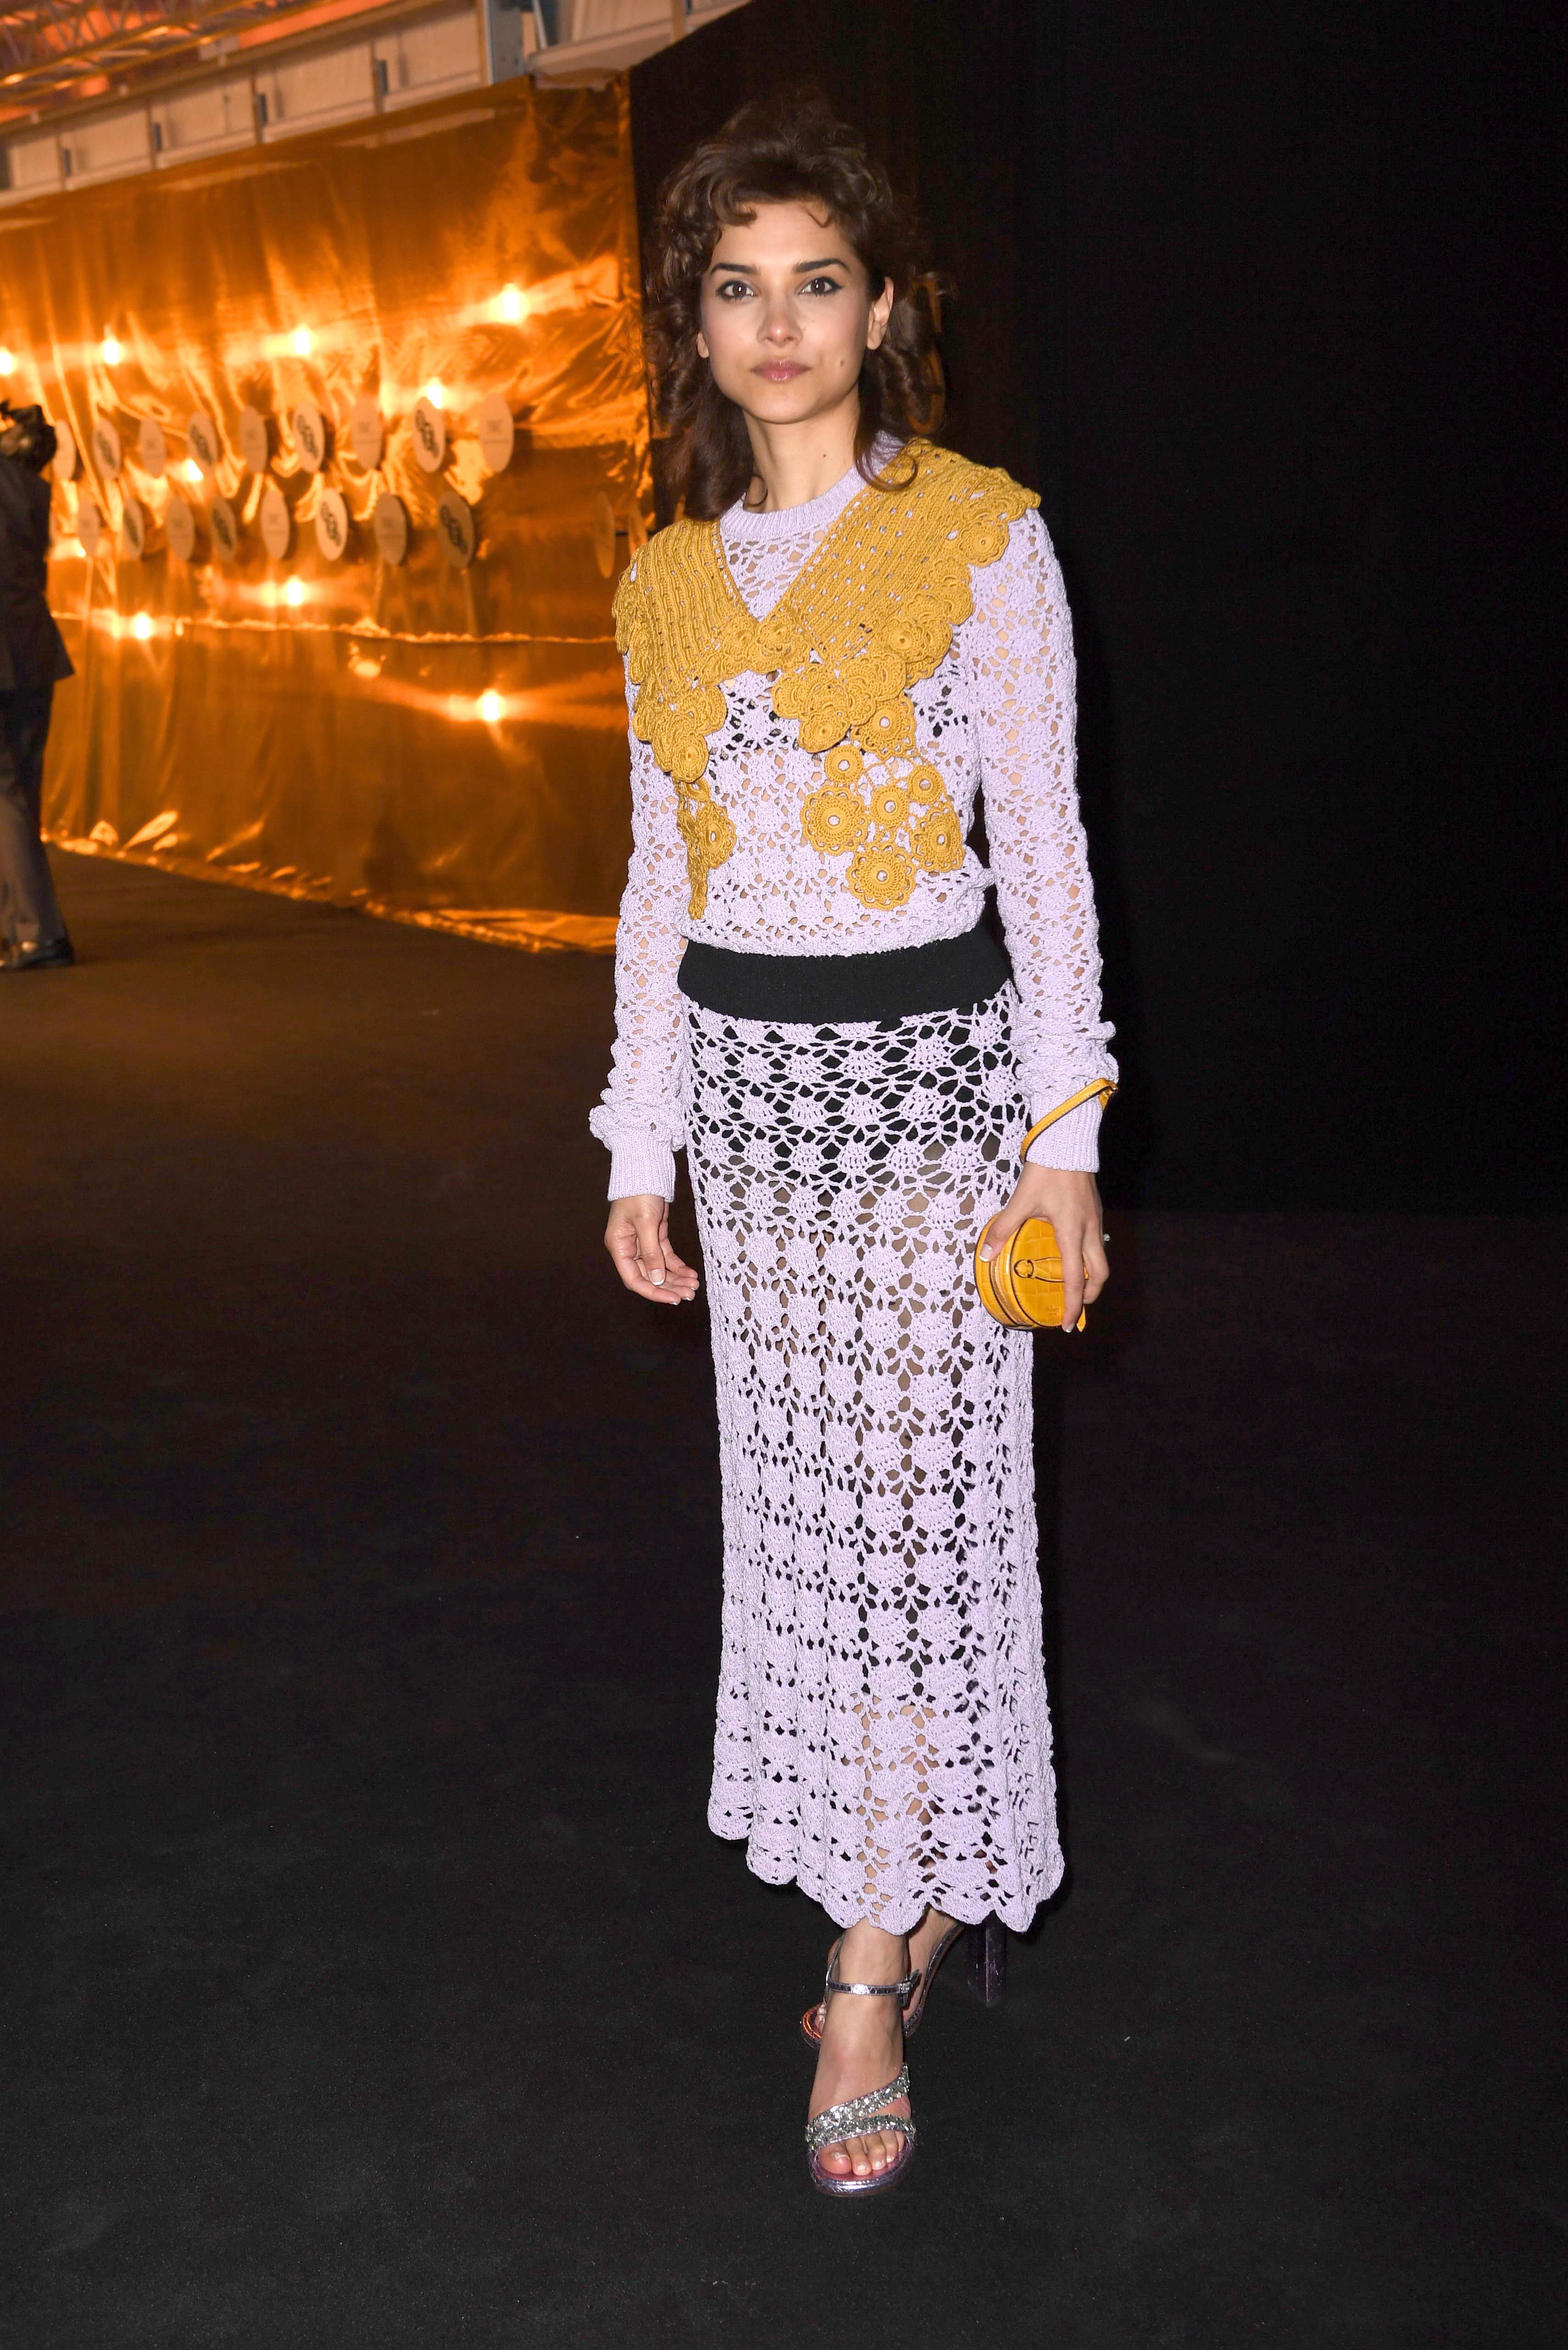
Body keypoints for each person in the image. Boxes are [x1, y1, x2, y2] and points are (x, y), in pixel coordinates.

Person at [590, 94, 1117, 2197]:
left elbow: (1048, 859)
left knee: (907, 1534)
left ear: (883, 306)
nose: (781, 321)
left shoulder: (979, 536)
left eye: (819, 280)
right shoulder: (663, 582)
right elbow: (660, 884)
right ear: (698, 325)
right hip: (752, 1123)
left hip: (925, 1105)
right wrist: (637, 1138)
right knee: (808, 1539)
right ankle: (885, 1882)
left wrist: (1062, 1144)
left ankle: (867, 1965)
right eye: (739, 287)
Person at [0, 401, 75, 973]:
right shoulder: (28, 485)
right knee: (21, 790)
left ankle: (37, 930)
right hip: (32, 646)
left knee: (6, 794)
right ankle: (20, 926)